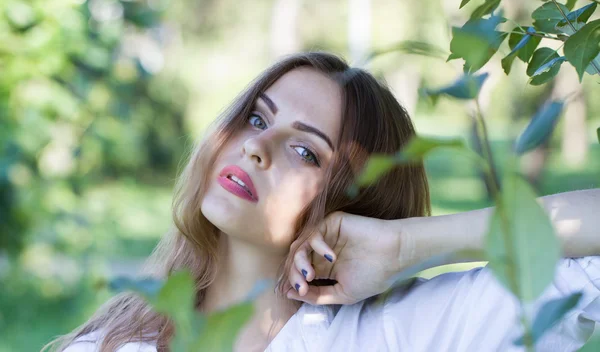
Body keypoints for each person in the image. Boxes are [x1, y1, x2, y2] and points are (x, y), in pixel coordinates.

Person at [44, 52, 599, 352]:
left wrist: (406, 243)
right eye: (256, 118)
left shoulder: (401, 333)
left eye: (306, 151)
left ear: (357, 199)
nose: (256, 146)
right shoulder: (112, 345)